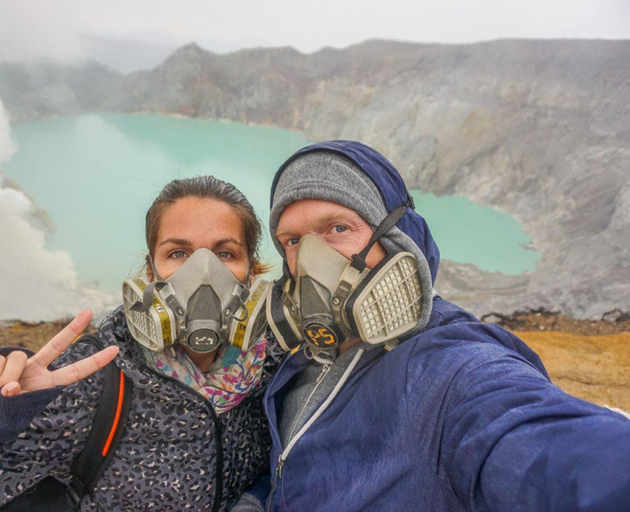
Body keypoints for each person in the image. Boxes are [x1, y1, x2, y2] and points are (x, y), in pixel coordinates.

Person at [258, 141, 630, 511]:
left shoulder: (451, 370)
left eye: (338, 228)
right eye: (292, 240)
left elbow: (547, 449)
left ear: (397, 238)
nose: (309, 260)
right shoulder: (305, 357)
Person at [0, 176, 283, 511]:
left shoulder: (271, 370)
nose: (203, 273)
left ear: (252, 271)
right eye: (178, 253)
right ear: (150, 271)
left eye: (225, 254)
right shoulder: (90, 379)